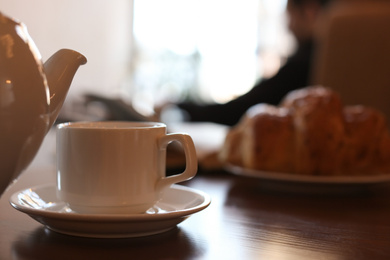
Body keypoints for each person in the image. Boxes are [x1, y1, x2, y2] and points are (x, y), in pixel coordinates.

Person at [160, 0, 334, 126]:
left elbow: (240, 110)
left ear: (310, 10)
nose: (288, 27)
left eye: (290, 16)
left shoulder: (303, 64)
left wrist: (180, 105)